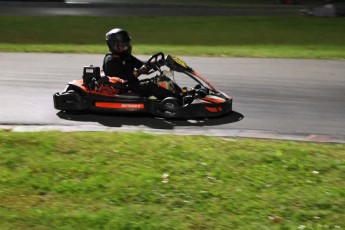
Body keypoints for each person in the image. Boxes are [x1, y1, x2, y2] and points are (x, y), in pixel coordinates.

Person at [102, 28, 179, 100]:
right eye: (122, 45)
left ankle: (181, 93)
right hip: (123, 89)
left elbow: (141, 64)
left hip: (133, 85)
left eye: (127, 44)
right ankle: (177, 100)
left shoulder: (126, 56)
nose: (126, 47)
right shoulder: (110, 60)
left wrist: (157, 62)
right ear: (113, 45)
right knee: (149, 85)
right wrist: (140, 71)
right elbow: (123, 78)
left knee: (160, 79)